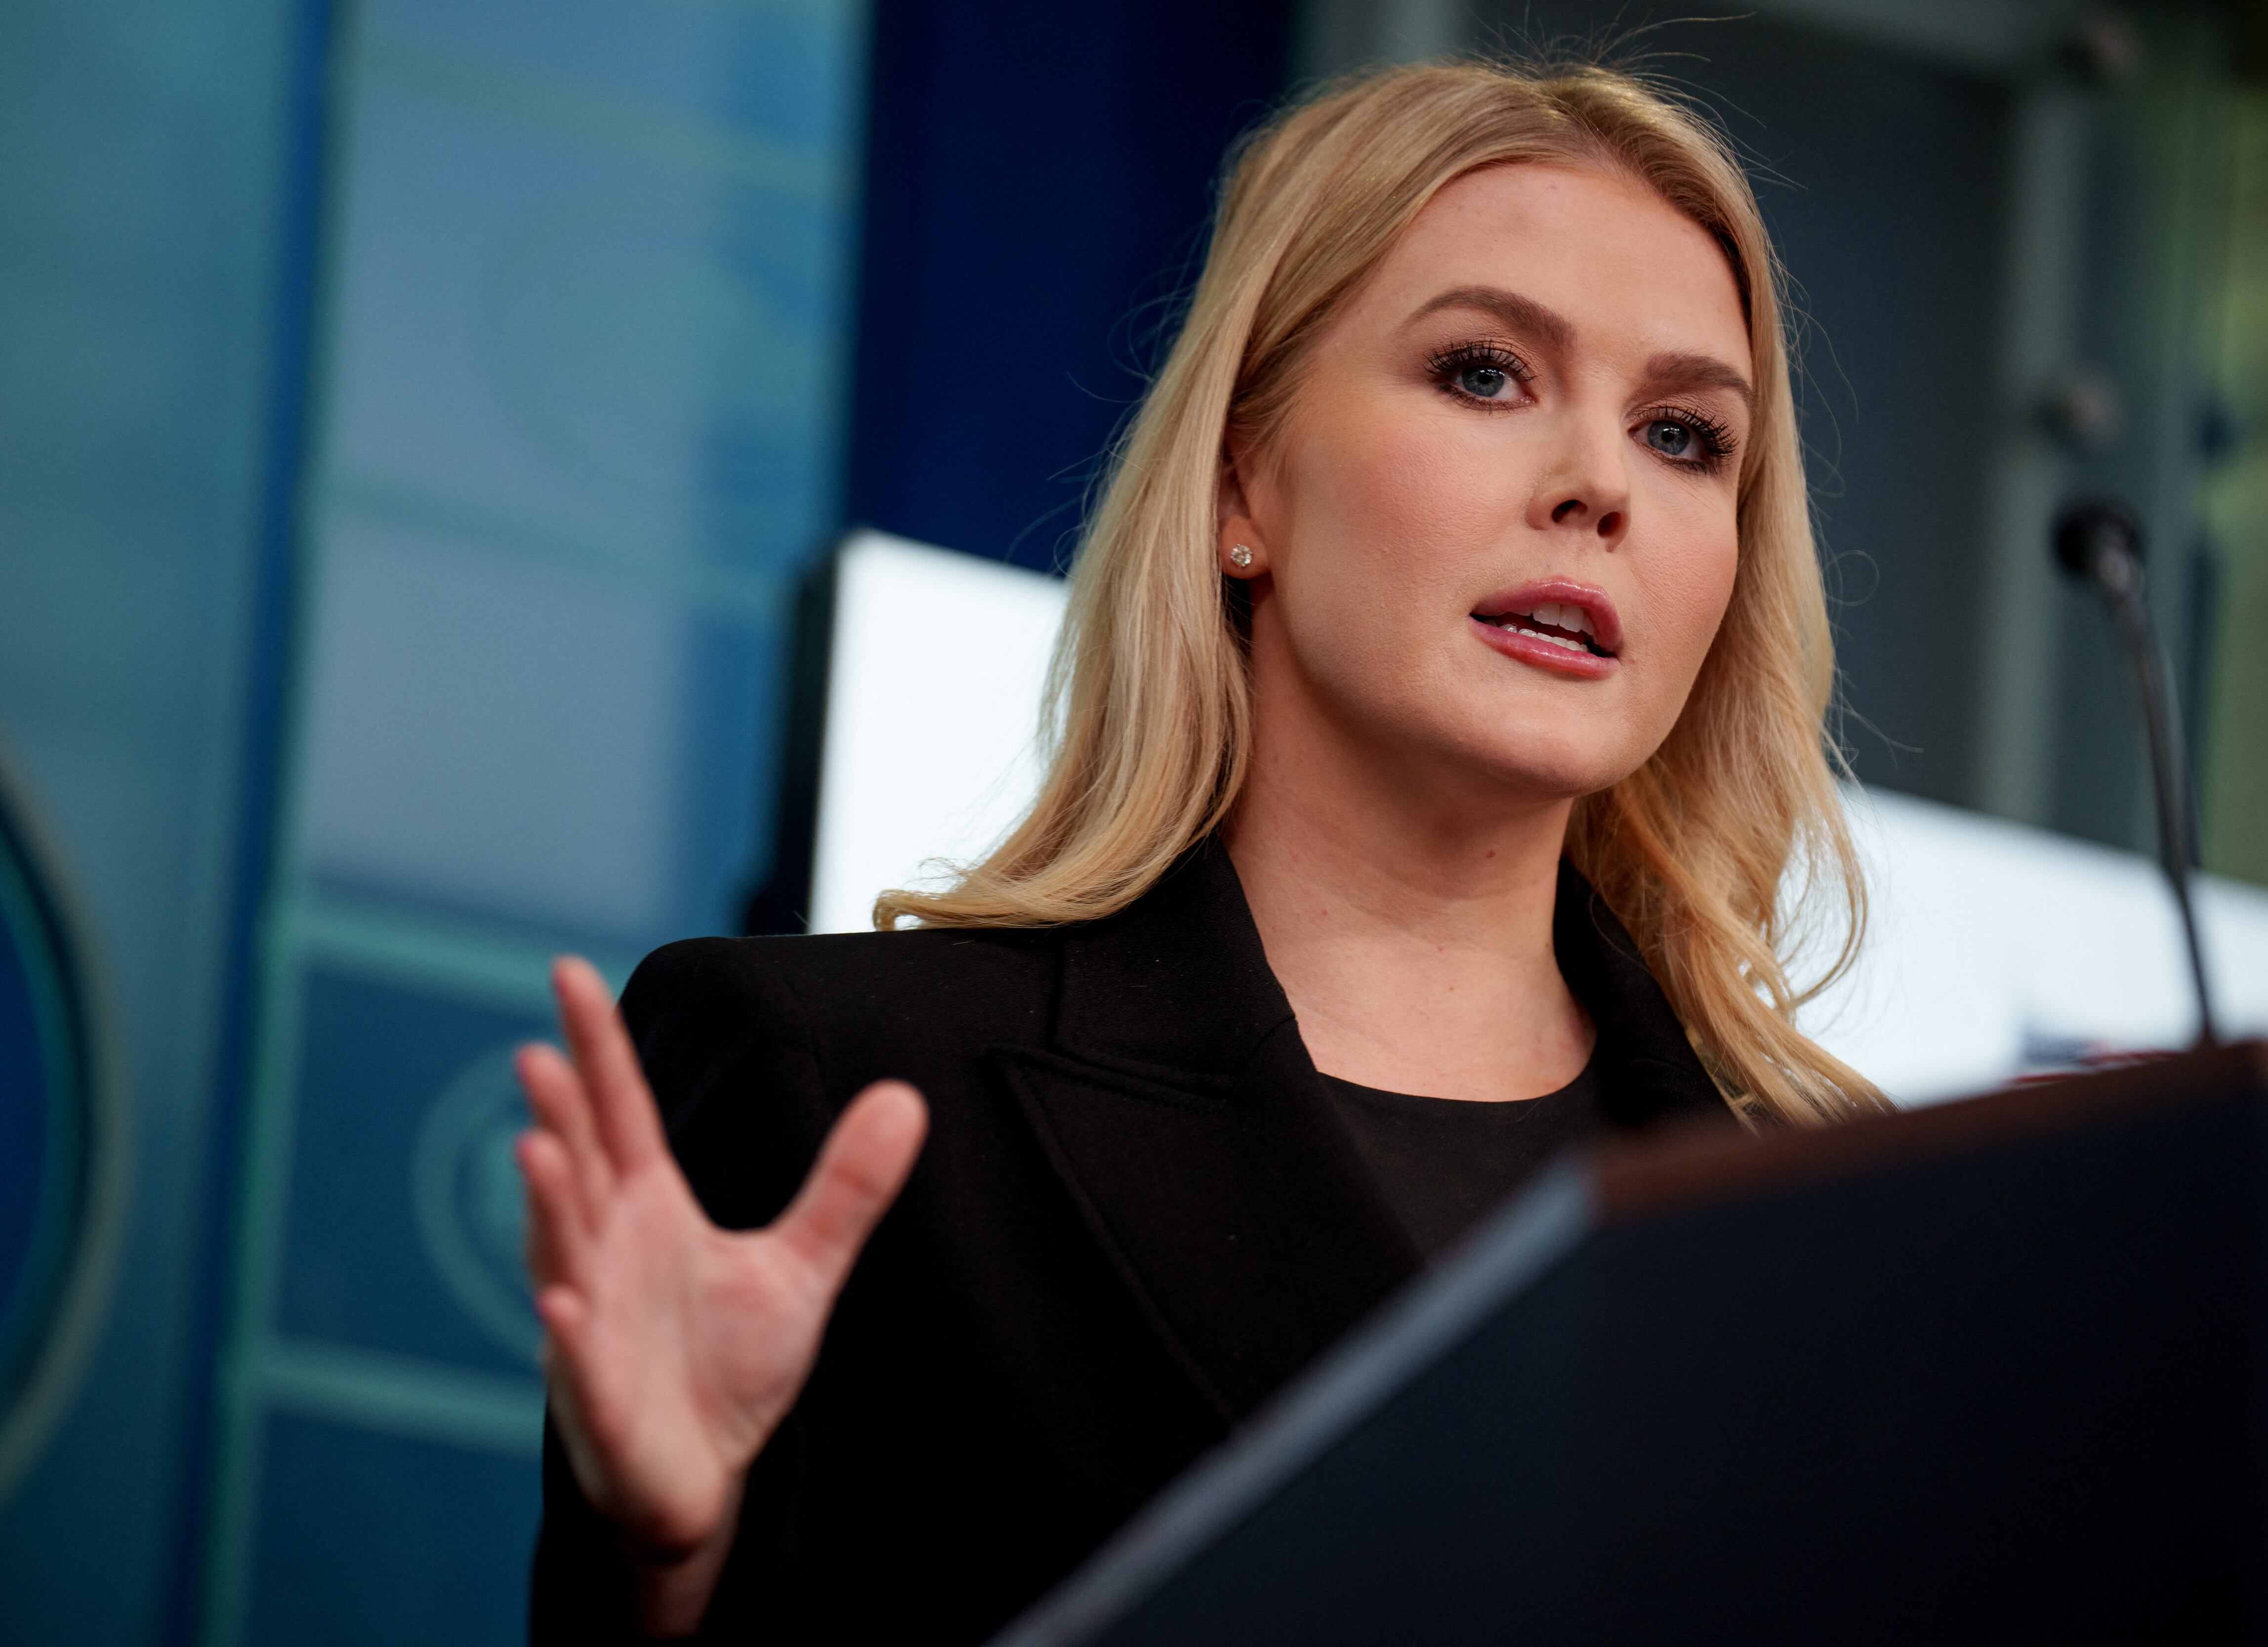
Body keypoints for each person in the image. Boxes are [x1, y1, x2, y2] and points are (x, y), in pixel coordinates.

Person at [521, 56, 1881, 1645]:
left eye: (1681, 434)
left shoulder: (1833, 1242)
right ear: (1245, 479)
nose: (1598, 487)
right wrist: (664, 1571)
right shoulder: (843, 1093)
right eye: (1487, 375)